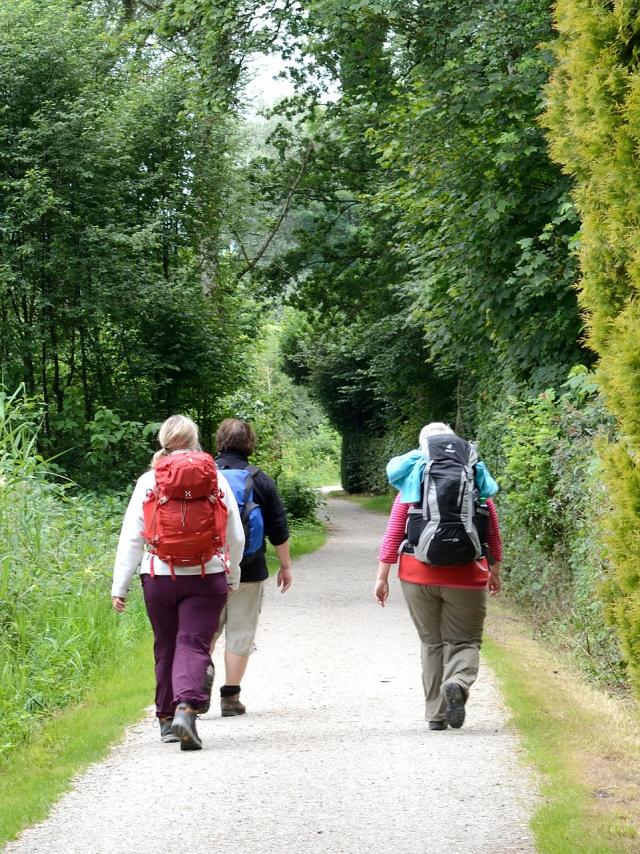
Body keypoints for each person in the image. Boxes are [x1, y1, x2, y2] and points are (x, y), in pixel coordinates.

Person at [111, 415, 244, 750]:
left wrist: (120, 586)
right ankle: (186, 709)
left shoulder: (148, 481)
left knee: (166, 644)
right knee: (193, 644)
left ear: (163, 441)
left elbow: (131, 538)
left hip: (159, 576)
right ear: (195, 441)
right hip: (206, 574)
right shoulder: (215, 478)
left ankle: (167, 720)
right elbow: (235, 535)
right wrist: (232, 573)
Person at [374, 422, 503, 730]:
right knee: (465, 640)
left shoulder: (412, 479)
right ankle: (458, 682)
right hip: (467, 575)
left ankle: (436, 714)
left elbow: (393, 534)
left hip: (417, 573)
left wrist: (382, 577)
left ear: (422, 449)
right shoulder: (474, 477)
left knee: (431, 643)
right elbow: (492, 530)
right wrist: (495, 570)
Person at [212, 418, 292, 716]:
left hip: (209, 569)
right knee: (241, 632)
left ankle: (196, 685)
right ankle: (230, 698)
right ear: (250, 444)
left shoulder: (204, 475)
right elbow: (278, 528)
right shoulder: (260, 479)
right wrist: (285, 566)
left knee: (205, 631)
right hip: (250, 568)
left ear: (219, 441)